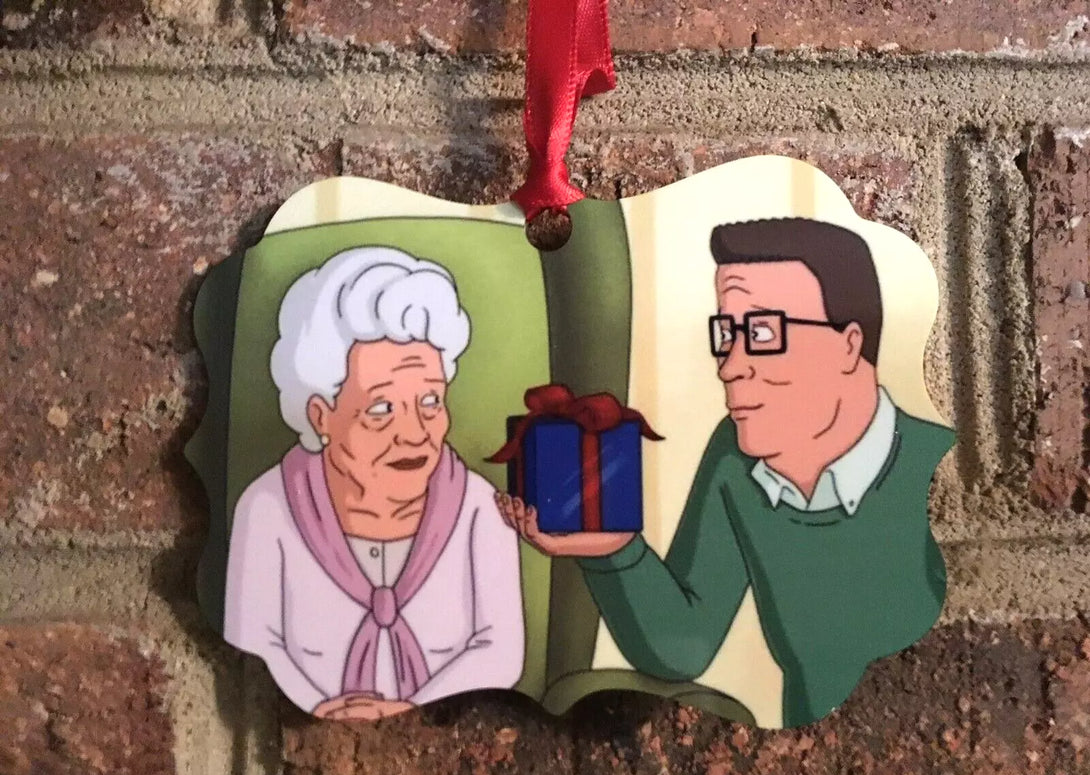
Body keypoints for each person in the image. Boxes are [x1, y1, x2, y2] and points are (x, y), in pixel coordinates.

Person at [498, 218, 955, 727]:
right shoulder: (738, 461)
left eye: (762, 333)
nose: (730, 366)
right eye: (725, 335)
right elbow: (684, 644)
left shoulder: (933, 465)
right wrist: (613, 550)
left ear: (849, 344)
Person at [225, 246, 525, 721]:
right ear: (321, 416)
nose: (414, 434)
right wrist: (325, 709)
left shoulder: (479, 510)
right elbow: (253, 646)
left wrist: (406, 709)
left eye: (430, 402)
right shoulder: (267, 508)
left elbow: (500, 652)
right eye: (382, 409)